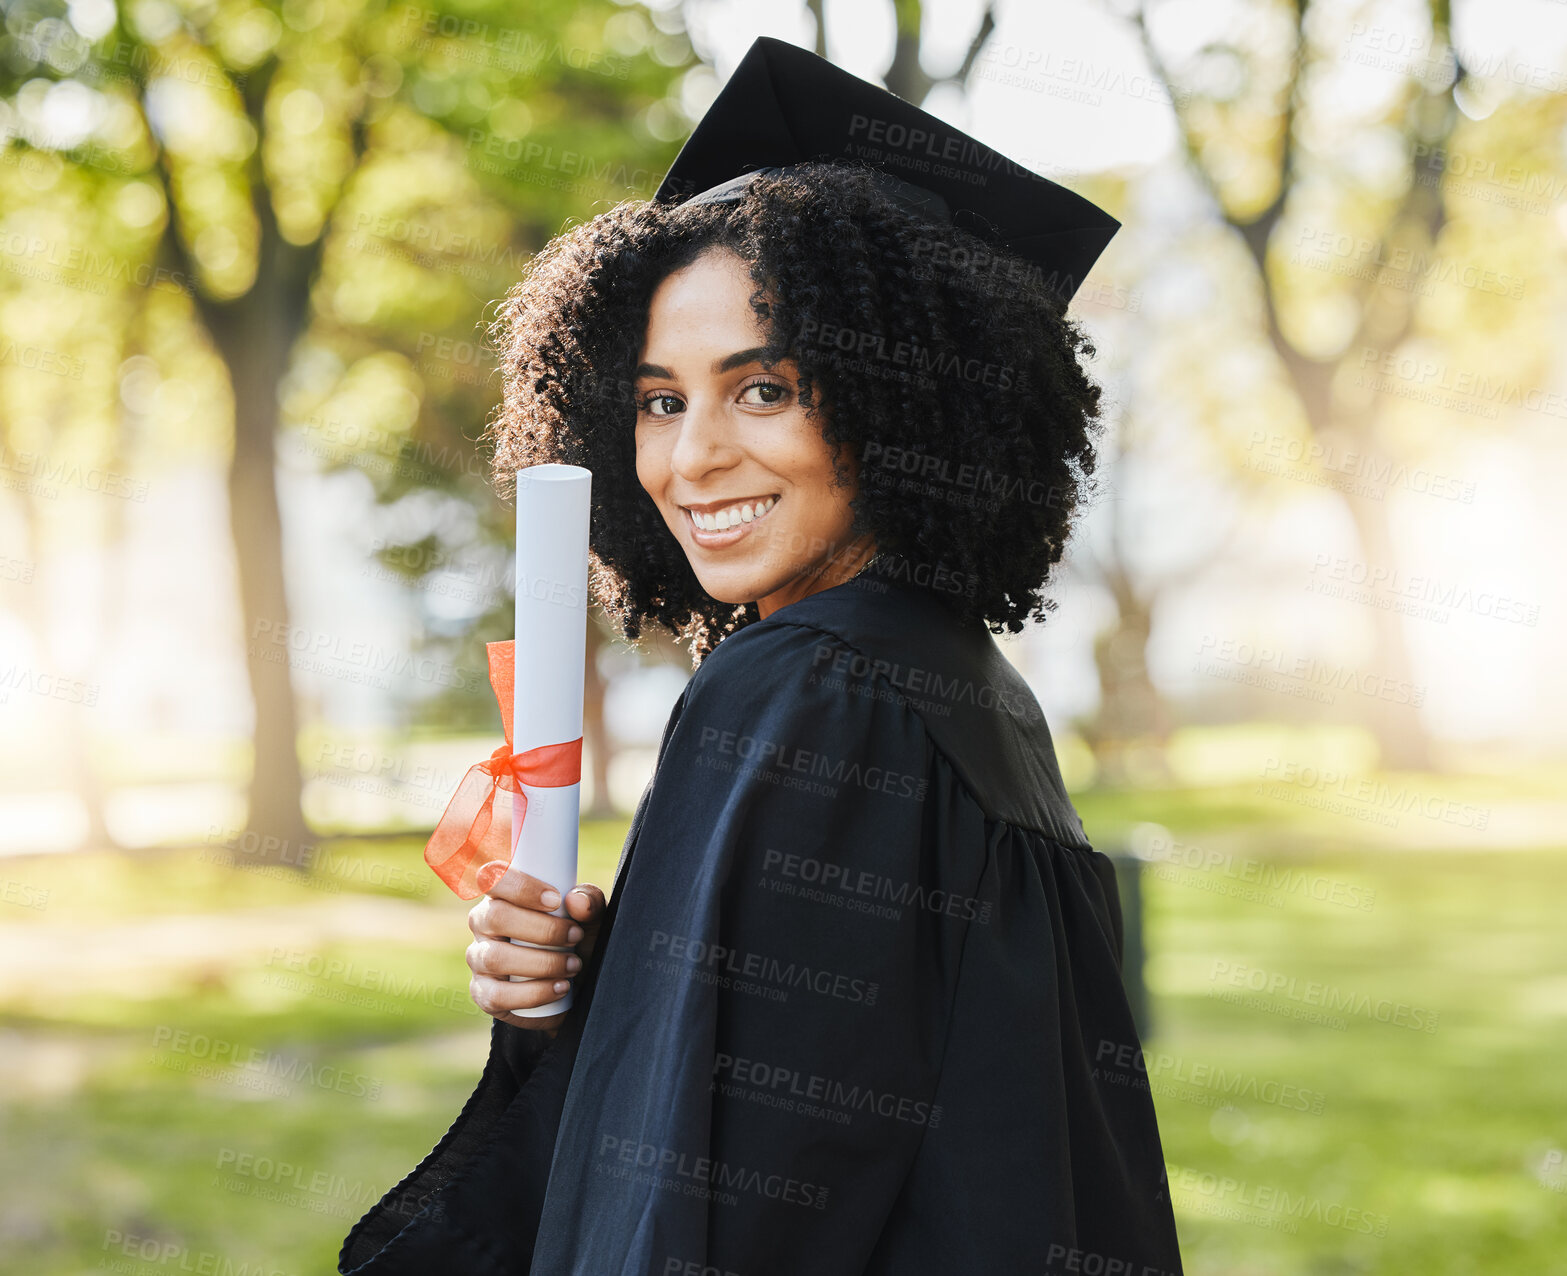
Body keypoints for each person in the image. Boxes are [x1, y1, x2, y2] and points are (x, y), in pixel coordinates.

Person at [340, 36, 1184, 1276]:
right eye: (659, 400)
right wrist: (594, 1000)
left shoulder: (807, 686)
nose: (693, 459)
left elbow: (700, 1204)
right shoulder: (968, 693)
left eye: (765, 388)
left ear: (904, 404)